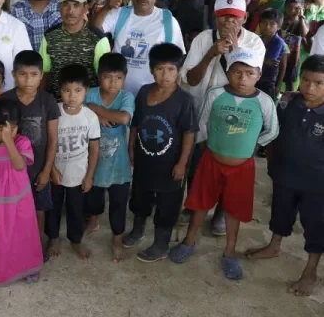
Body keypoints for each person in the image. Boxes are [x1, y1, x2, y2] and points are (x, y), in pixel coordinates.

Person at [170, 47, 279, 280]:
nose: (243, 79)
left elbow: (272, 130)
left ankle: (230, 252)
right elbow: (202, 123)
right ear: (228, 71)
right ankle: (189, 241)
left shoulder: (264, 101)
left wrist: (251, 145)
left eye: (250, 74)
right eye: (238, 72)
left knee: (234, 209)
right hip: (212, 160)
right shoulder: (215, 94)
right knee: (200, 203)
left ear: (259, 75)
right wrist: (198, 149)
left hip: (242, 167)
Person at [245, 55, 324, 296]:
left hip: (317, 184)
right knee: (280, 212)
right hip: (284, 174)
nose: (310, 88)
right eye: (306, 80)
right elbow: (273, 134)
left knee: (315, 226)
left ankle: (310, 270)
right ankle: (274, 246)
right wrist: (271, 163)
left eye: (319, 83)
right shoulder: (287, 102)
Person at [121, 44, 197, 263]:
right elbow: (135, 124)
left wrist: (182, 164)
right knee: (140, 198)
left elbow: (189, 134)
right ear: (152, 69)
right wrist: (131, 147)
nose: (165, 75)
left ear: (178, 72)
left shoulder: (184, 101)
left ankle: (161, 244)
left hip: (170, 165)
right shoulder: (144, 92)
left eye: (171, 70)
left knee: (167, 205)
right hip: (145, 160)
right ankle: (138, 229)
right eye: (160, 69)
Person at [0, 51, 59, 240]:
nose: (28, 81)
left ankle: (36, 242)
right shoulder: (4, 100)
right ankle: (16, 243)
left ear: (41, 76)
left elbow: (53, 138)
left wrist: (47, 170)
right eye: (23, 75)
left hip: (38, 168)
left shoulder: (47, 101)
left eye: (33, 75)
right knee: (14, 208)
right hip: (11, 169)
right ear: (14, 74)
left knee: (39, 208)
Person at [93, 0, 185, 96]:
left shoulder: (168, 20)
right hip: (117, 96)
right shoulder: (120, 14)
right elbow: (94, 30)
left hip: (152, 98)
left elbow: (178, 62)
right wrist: (107, 7)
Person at [0, 100, 42, 285]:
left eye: (12, 129)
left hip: (20, 202)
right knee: (0, 236)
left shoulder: (22, 142)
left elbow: (19, 165)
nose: (6, 133)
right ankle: (3, 269)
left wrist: (8, 141)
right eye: (1, 129)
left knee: (23, 235)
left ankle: (28, 268)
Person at [46, 64, 100, 260]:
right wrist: (51, 169)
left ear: (86, 91)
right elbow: (47, 144)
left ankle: (75, 240)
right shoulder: (54, 112)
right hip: (56, 173)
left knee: (77, 210)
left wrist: (89, 176)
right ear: (60, 90)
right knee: (53, 208)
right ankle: (53, 238)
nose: (72, 95)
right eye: (67, 90)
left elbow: (94, 149)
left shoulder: (90, 117)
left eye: (78, 91)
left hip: (79, 175)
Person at [83, 53, 133, 262]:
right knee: (93, 198)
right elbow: (77, 109)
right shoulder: (90, 93)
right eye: (108, 77)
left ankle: (117, 240)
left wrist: (97, 111)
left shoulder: (126, 97)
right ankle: (94, 220)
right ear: (98, 76)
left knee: (118, 203)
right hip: (94, 162)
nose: (113, 83)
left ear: (125, 78)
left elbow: (123, 117)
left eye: (118, 78)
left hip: (119, 163)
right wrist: (97, 112)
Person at [40, 0, 110, 99]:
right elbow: (44, 72)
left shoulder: (98, 39)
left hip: (87, 106)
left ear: (85, 8)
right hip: (55, 104)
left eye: (76, 5)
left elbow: (104, 77)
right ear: (60, 7)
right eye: (66, 5)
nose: (70, 11)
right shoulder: (49, 36)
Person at [257, 9, 289, 100]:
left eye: (272, 24)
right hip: (255, 78)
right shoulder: (256, 39)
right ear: (259, 24)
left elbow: (273, 63)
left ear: (278, 27)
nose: (267, 26)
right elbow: (266, 61)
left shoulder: (278, 42)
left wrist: (278, 85)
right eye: (264, 22)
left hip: (268, 81)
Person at [281, 0, 308, 92]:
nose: (292, 10)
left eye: (297, 8)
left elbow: (305, 35)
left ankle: (289, 100)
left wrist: (301, 18)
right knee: (277, 78)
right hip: (280, 55)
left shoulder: (303, 22)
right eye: (289, 7)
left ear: (302, 9)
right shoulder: (281, 19)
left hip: (293, 57)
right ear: (285, 8)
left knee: (290, 81)